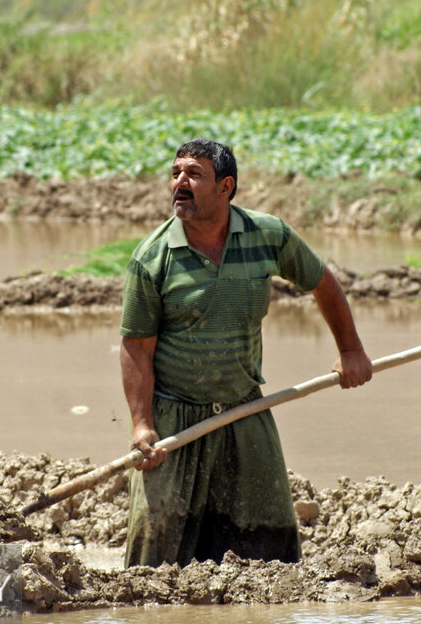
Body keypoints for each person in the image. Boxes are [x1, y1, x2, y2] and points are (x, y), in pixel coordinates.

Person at [119, 138, 373, 568]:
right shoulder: (152, 258)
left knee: (268, 545)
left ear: (226, 187)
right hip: (175, 421)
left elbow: (322, 282)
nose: (179, 181)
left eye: (194, 174)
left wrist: (350, 350)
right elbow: (136, 347)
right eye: (176, 172)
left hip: (244, 410)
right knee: (155, 556)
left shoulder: (267, 235)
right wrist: (142, 425)